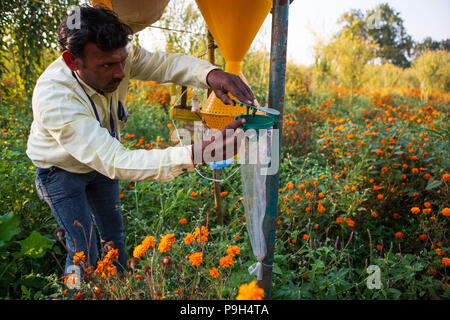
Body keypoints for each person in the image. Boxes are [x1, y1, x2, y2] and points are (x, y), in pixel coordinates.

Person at [26, 5, 254, 276]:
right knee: (82, 250)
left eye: (122, 60)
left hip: (100, 166)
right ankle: (77, 291)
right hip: (60, 172)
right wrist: (196, 154)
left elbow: (164, 64)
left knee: (114, 237)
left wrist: (210, 74)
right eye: (108, 65)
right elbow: (115, 160)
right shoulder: (55, 98)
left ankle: (119, 285)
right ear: (72, 61)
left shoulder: (117, 56)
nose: (121, 73)